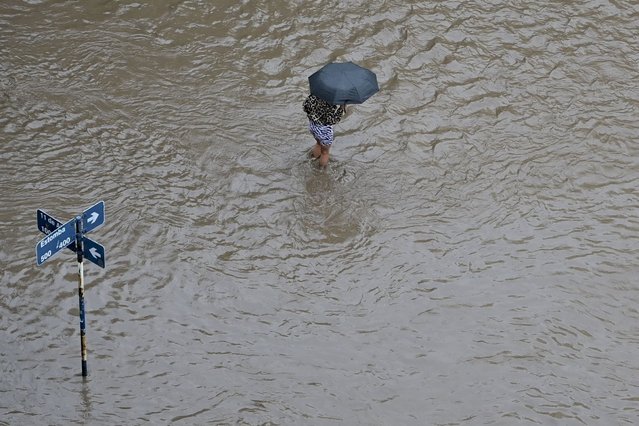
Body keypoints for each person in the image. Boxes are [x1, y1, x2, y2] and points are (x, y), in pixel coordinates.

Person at [303, 94, 346, 167]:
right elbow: (333, 120)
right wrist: (341, 108)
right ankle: (321, 171)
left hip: (313, 126)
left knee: (318, 143)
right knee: (325, 152)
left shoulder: (314, 96)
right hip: (324, 131)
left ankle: (313, 158)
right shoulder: (329, 103)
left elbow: (305, 106)